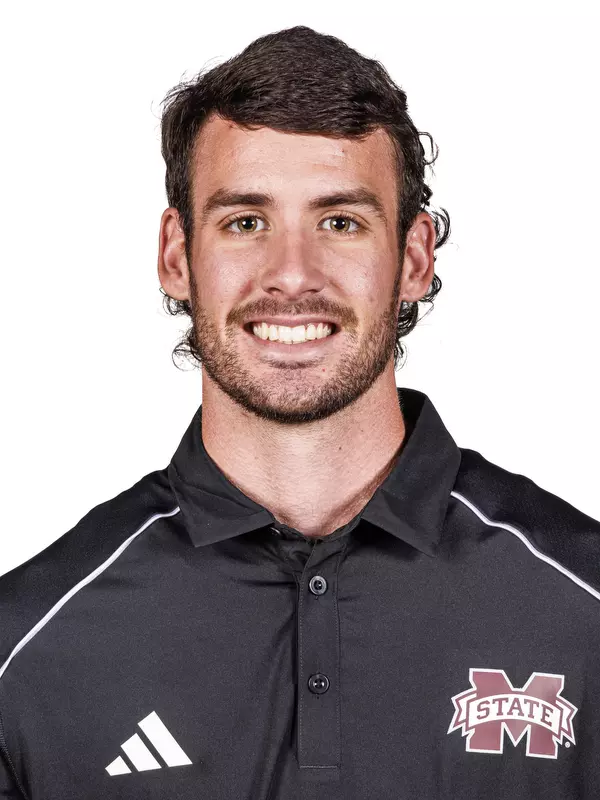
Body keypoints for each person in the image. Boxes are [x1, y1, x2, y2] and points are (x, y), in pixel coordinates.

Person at [1, 24, 598, 800]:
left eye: (340, 222)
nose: (292, 275)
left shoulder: (582, 607)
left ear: (414, 258)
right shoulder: (29, 650)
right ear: (177, 256)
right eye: (245, 222)